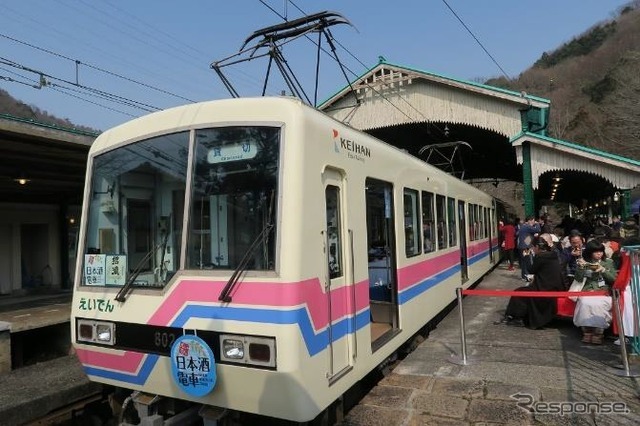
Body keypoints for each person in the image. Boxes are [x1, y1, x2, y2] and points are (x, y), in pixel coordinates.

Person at [495, 234, 564, 329]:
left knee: (518, 292)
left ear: (537, 247)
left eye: (533, 248)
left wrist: (526, 257)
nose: (533, 250)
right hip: (554, 286)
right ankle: (516, 316)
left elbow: (531, 270)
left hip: (544, 288)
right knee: (522, 291)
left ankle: (517, 318)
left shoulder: (541, 257)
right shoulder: (553, 255)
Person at [572, 240, 617, 344]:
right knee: (585, 303)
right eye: (596, 252)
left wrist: (603, 270)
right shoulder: (584, 261)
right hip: (588, 290)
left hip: (603, 291)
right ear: (590, 252)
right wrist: (581, 267)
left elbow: (614, 279)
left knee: (600, 304)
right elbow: (578, 278)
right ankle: (587, 332)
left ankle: (598, 332)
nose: (599, 253)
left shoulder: (609, 262)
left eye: (601, 251)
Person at [516, 216, 541, 282]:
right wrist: (537, 224)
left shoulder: (524, 226)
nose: (534, 222)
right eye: (533, 221)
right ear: (530, 220)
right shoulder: (527, 226)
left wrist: (532, 235)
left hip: (523, 246)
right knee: (527, 261)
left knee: (524, 262)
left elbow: (527, 236)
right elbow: (538, 230)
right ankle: (527, 276)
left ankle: (524, 276)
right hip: (525, 247)